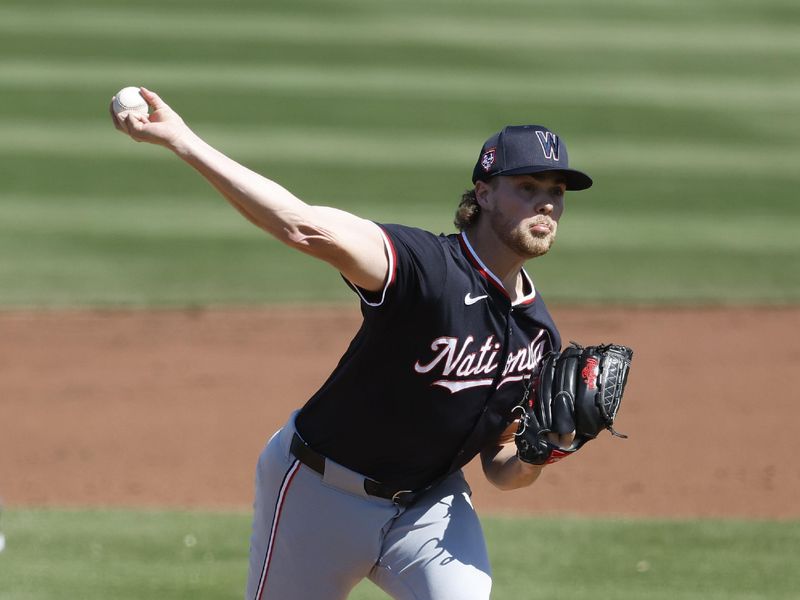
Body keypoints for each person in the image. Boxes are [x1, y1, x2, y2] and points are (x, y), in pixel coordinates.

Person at [110, 88, 593, 600]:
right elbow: (305, 228)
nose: (547, 201)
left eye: (557, 191)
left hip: (429, 510)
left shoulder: (539, 333)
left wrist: (544, 453)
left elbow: (499, 463)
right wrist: (182, 140)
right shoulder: (423, 268)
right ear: (484, 194)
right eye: (528, 185)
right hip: (320, 496)